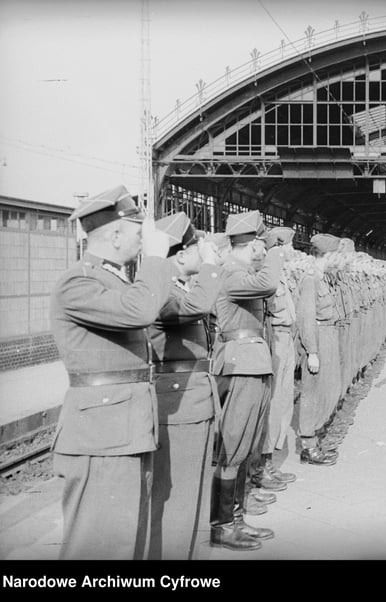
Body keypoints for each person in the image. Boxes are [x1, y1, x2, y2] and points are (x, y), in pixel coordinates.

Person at [50, 185, 173, 559]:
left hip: (124, 429)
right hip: (101, 436)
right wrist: (155, 260)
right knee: (97, 548)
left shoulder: (113, 279)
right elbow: (140, 313)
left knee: (125, 545)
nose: (142, 241)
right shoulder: (78, 281)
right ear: (115, 233)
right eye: (137, 233)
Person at [147, 212, 223, 560]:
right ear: (180, 255)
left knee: (192, 492)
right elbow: (196, 308)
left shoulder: (178, 288)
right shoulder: (163, 292)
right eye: (197, 249)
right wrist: (211, 267)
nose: (201, 254)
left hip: (192, 396)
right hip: (177, 402)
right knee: (178, 498)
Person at [210, 210, 284, 551]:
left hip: (252, 362)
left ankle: (236, 519)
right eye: (259, 242)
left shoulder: (241, 272)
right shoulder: (230, 273)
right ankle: (223, 525)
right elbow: (268, 285)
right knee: (233, 446)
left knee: (246, 444)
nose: (262, 249)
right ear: (251, 243)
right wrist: (276, 253)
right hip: (240, 364)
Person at [296, 233, 343, 463]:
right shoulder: (311, 279)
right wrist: (312, 351)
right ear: (328, 254)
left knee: (327, 388)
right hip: (318, 337)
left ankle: (317, 437)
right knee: (313, 392)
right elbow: (306, 317)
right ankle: (308, 446)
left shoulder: (323, 277)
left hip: (328, 335)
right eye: (336, 254)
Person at [259, 227, 300, 484]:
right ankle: (263, 463)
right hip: (275, 339)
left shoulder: (282, 275)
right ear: (277, 248)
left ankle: (270, 460)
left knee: (284, 401)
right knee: (274, 403)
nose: (292, 251)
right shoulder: (268, 276)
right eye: (289, 246)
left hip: (287, 338)